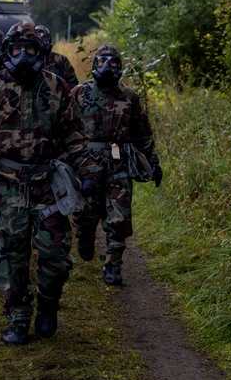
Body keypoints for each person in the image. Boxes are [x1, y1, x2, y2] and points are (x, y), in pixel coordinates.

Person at [0, 21, 97, 345]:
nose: (24, 55)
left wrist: (89, 171)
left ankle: (48, 305)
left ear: (42, 52)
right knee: (11, 254)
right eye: (17, 49)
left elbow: (76, 137)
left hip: (47, 182)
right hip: (7, 184)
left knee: (56, 257)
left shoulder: (57, 87)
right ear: (7, 51)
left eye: (31, 49)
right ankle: (18, 318)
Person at [70, 44, 163, 286]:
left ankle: (113, 265)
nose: (107, 67)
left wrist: (154, 163)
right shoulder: (79, 93)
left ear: (119, 67)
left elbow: (143, 132)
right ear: (94, 64)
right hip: (87, 166)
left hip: (119, 164)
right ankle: (85, 235)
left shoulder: (129, 97)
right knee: (85, 214)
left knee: (119, 218)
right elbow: (66, 130)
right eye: (102, 61)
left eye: (113, 62)